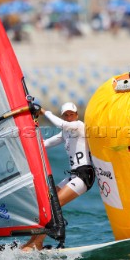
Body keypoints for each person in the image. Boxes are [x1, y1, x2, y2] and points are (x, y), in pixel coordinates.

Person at [22, 102, 95, 251]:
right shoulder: (65, 133)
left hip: (85, 176)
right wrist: (24, 141)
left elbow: (62, 125)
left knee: (54, 206)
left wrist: (44, 112)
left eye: (71, 114)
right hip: (74, 176)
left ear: (76, 115)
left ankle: (38, 242)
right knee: (47, 202)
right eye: (66, 115)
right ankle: (33, 240)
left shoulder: (79, 126)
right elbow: (44, 144)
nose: (69, 117)